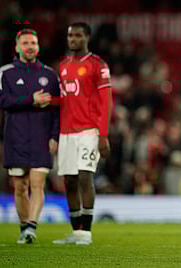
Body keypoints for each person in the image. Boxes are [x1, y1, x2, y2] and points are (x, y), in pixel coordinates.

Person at [0, 28, 60, 244]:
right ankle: (24, 228)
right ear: (17, 47)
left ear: (38, 46)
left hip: (41, 138)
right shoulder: (6, 72)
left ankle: (32, 227)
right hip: (16, 138)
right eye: (25, 43)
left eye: (33, 42)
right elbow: (2, 102)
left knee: (37, 183)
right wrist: (30, 100)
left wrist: (54, 135)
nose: (30, 46)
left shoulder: (50, 75)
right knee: (20, 186)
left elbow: (57, 109)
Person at [53, 22, 112, 245]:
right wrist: (49, 101)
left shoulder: (98, 64)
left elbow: (106, 101)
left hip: (89, 130)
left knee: (85, 176)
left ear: (87, 37)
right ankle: (76, 232)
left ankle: (86, 232)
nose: (73, 39)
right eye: (70, 36)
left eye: (78, 35)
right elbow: (67, 98)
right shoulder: (64, 65)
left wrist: (103, 134)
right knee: (69, 181)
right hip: (66, 132)